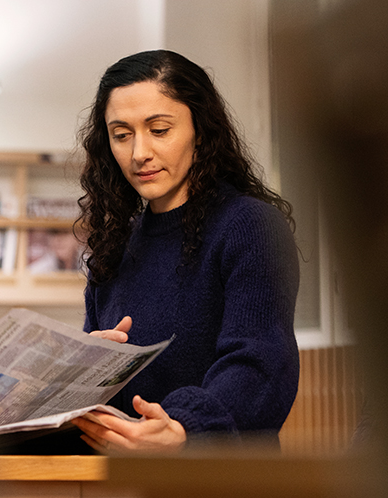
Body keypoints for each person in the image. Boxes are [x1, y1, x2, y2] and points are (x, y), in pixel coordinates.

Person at [69, 50, 300, 454]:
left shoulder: (249, 225)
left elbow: (260, 364)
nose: (139, 152)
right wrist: (87, 373)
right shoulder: (115, 245)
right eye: (122, 135)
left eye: (159, 130)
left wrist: (182, 428)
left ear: (200, 129)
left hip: (222, 481)